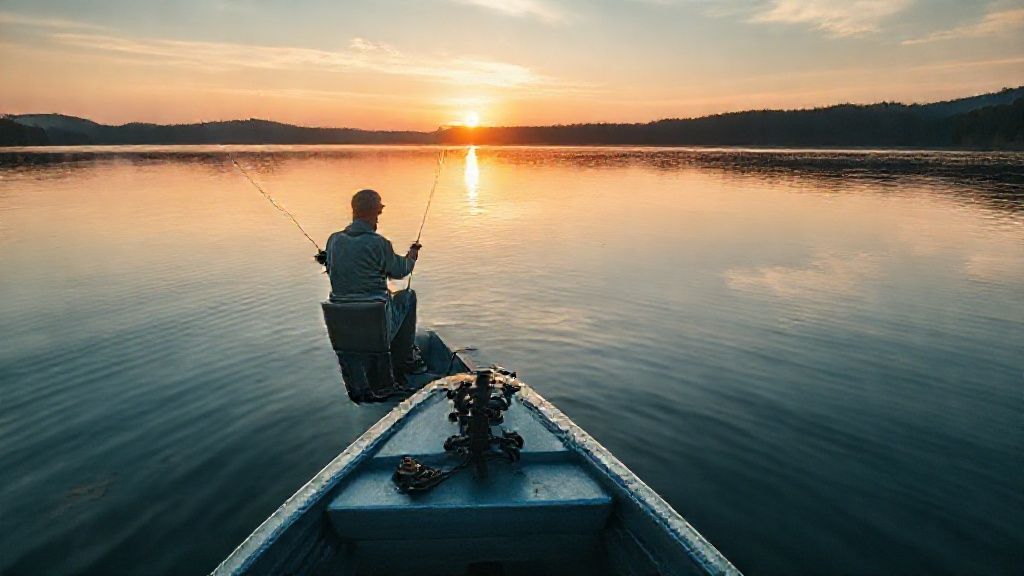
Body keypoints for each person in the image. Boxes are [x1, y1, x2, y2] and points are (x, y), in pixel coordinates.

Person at [318, 189, 423, 383]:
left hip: (343, 324)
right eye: (379, 211)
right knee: (408, 297)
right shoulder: (379, 243)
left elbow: (334, 266)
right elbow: (401, 271)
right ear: (375, 212)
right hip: (375, 324)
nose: (379, 216)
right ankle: (406, 360)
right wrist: (412, 254)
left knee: (391, 297)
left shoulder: (333, 240)